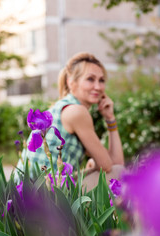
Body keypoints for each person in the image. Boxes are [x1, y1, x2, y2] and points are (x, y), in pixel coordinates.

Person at [18, 52, 125, 191]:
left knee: (103, 167)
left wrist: (110, 118)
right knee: (119, 173)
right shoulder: (77, 112)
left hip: (31, 191)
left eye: (102, 80)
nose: (98, 87)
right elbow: (110, 166)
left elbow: (113, 162)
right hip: (41, 195)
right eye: (90, 79)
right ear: (71, 81)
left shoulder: (62, 107)